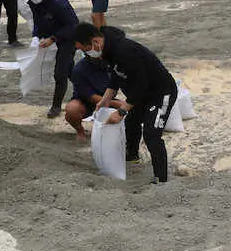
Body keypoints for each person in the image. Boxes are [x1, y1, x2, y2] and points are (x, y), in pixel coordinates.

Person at [72, 23, 178, 184]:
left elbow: (141, 84)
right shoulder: (107, 50)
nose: (87, 54)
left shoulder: (125, 51)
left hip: (160, 93)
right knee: (132, 122)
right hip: (141, 93)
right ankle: (132, 156)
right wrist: (105, 99)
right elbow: (116, 76)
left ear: (95, 41)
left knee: (151, 134)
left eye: (86, 50)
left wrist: (122, 111)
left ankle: (161, 179)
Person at [25, 0, 80, 118]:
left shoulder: (59, 3)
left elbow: (73, 25)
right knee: (69, 70)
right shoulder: (33, 3)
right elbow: (37, 21)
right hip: (50, 36)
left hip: (68, 38)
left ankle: (56, 106)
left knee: (60, 73)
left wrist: (53, 38)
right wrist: (36, 36)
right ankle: (88, 89)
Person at [65, 57, 118, 141]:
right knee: (72, 110)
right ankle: (80, 130)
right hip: (85, 102)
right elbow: (90, 97)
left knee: (130, 108)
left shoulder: (114, 63)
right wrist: (117, 104)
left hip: (108, 98)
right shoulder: (79, 69)